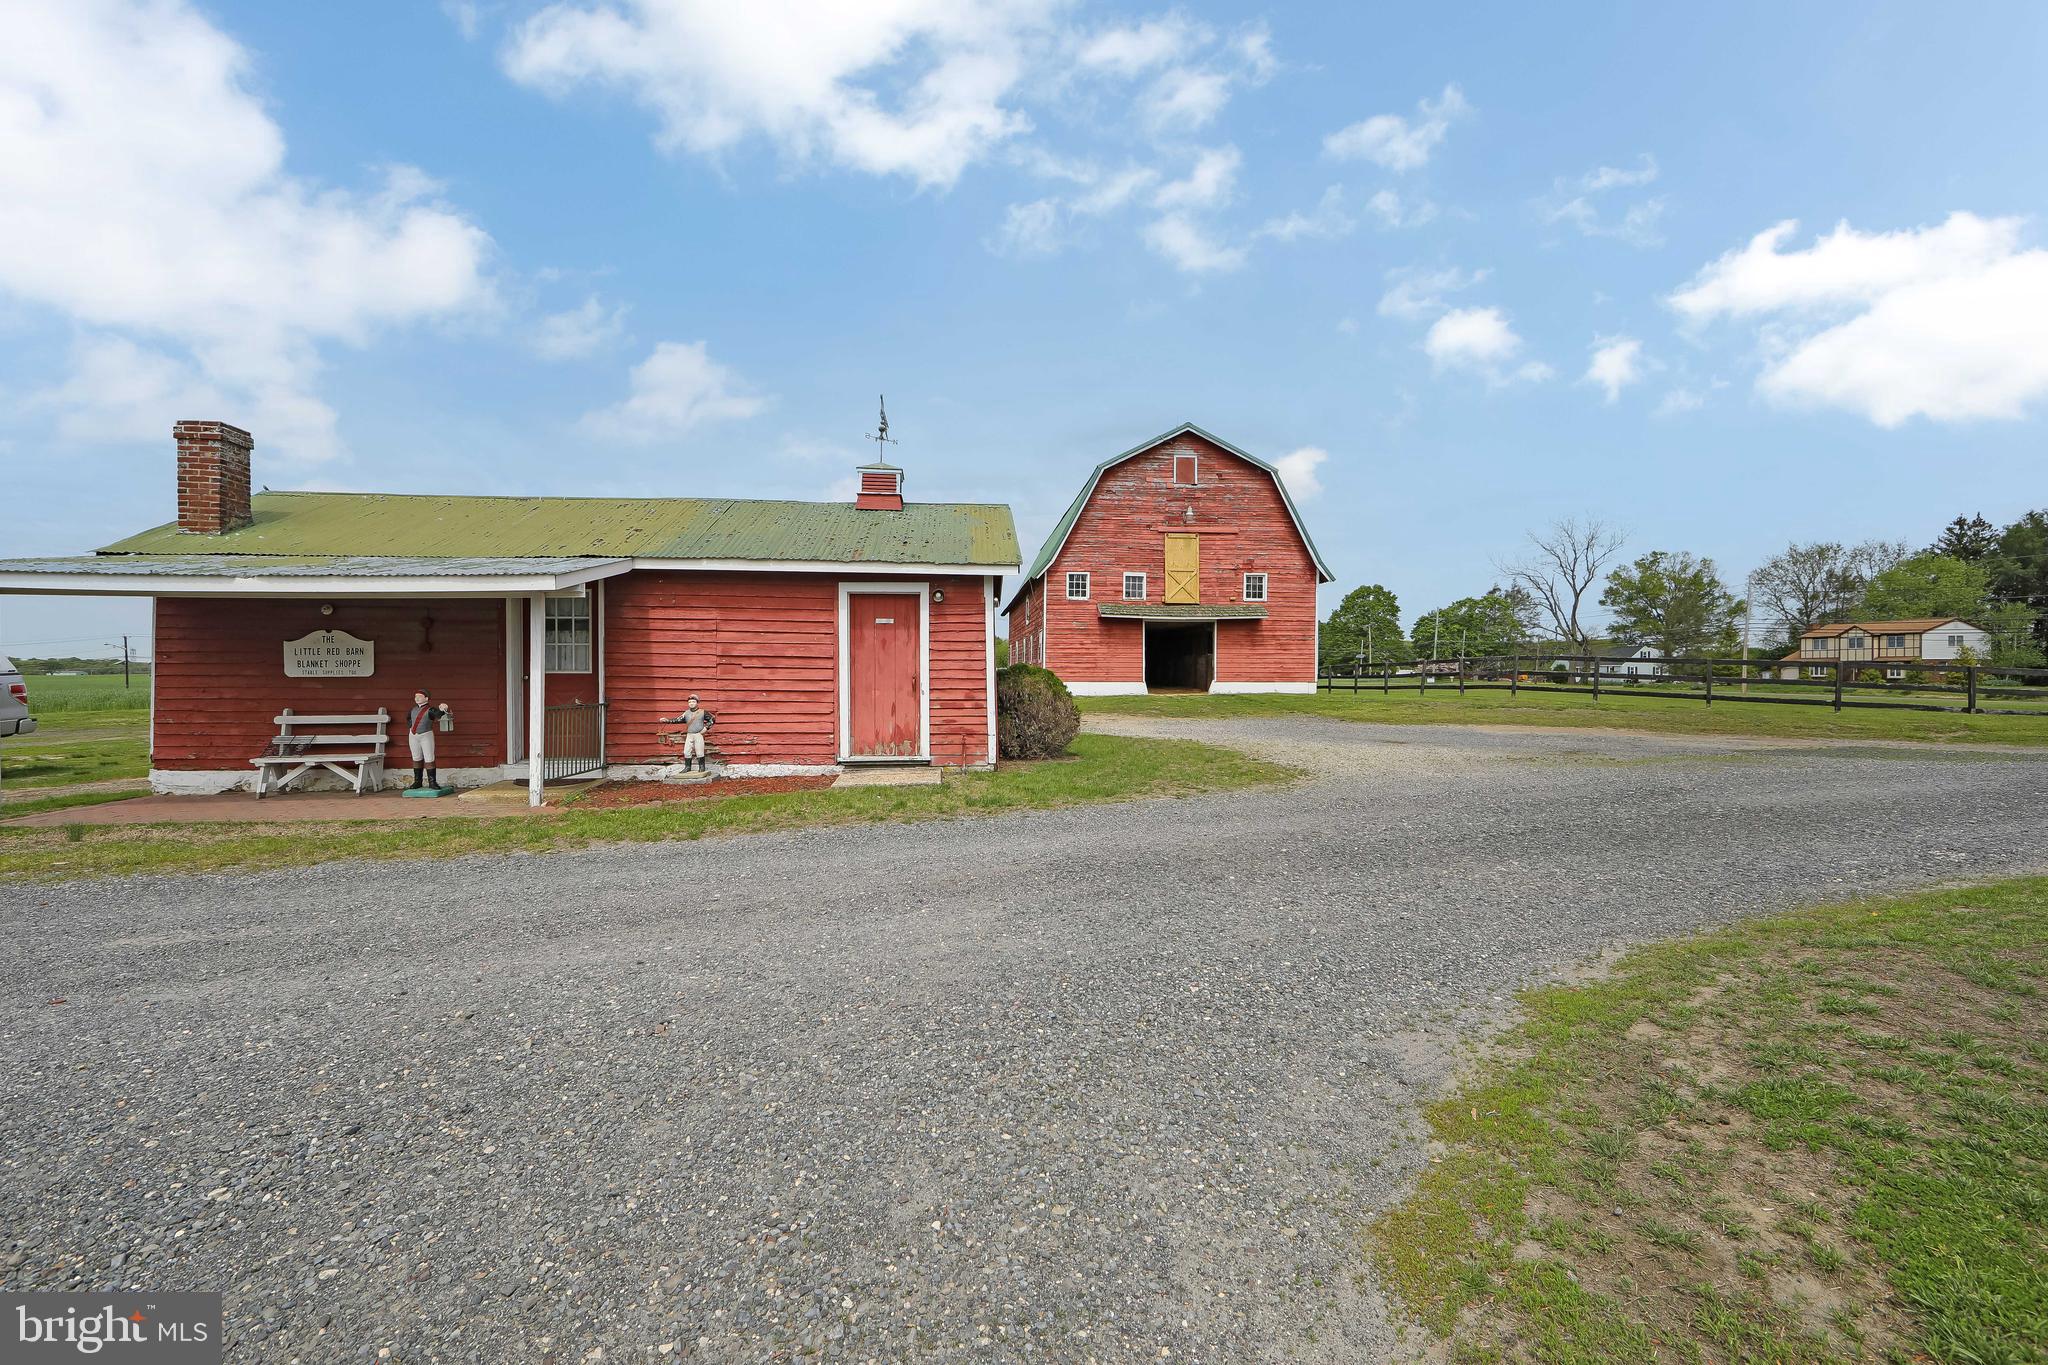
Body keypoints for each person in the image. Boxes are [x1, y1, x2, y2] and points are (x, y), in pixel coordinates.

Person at [404, 690, 453, 790]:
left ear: (426, 698)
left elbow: (438, 715)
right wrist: (411, 726)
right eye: (415, 696)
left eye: (419, 696)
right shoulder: (413, 710)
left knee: (429, 758)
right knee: (416, 757)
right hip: (413, 735)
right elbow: (408, 718)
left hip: (426, 735)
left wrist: (443, 709)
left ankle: (432, 782)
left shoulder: (430, 710)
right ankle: (417, 781)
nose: (417, 698)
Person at [678, 694, 714, 773]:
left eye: (693, 701)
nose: (691, 703)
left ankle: (701, 767)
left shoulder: (702, 712)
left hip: (698, 734)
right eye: (689, 702)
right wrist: (667, 720)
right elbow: (678, 719)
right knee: (686, 751)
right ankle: (687, 767)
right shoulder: (686, 713)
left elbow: (712, 719)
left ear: (697, 702)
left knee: (700, 751)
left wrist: (705, 728)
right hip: (689, 734)